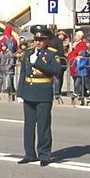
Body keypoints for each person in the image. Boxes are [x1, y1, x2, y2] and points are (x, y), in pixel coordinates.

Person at [16, 25, 62, 167]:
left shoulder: (52, 54)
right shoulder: (28, 53)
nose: (38, 42)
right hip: (29, 92)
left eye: (41, 40)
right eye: (36, 39)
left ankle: (44, 154)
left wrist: (39, 63)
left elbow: (56, 70)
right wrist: (20, 92)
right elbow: (23, 73)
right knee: (29, 126)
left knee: (43, 126)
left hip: (43, 93)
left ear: (47, 40)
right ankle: (29, 154)